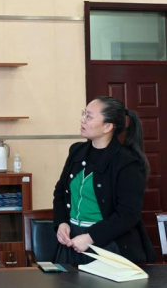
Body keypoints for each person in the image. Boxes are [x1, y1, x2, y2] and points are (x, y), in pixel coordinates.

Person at [53, 96, 156, 265]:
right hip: (71, 241)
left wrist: (90, 237)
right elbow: (60, 194)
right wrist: (61, 223)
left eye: (89, 117)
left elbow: (128, 214)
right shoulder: (76, 151)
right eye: (84, 114)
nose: (83, 120)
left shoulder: (127, 163)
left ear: (108, 126)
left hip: (107, 244)